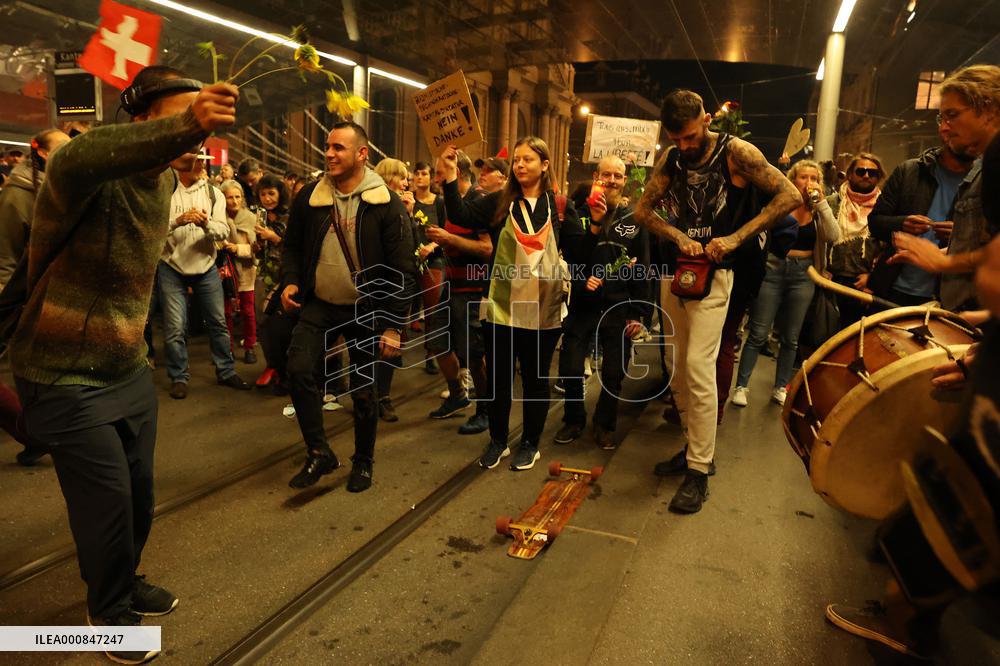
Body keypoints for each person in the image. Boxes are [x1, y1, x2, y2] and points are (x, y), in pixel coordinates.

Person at [8, 65, 238, 664]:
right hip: (62, 369)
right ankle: (107, 612)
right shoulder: (84, 172)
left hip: (127, 366)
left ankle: (124, 577)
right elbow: (81, 156)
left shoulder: (161, 185)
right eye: (181, 119)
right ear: (140, 121)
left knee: (137, 495)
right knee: (106, 499)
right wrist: (190, 122)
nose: (192, 135)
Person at [635, 89, 801, 514]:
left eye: (690, 137)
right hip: (678, 270)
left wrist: (735, 237)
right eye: (677, 139)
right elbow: (642, 211)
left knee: (698, 368)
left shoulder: (737, 152)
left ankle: (700, 468)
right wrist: (677, 237)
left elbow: (790, 197)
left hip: (720, 273)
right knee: (674, 363)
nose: (685, 147)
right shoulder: (673, 159)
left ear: (706, 120)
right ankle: (692, 447)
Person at [280, 121, 416, 492]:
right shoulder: (311, 197)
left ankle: (364, 461)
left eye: (339, 147)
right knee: (299, 368)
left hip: (367, 309)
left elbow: (404, 270)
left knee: (363, 391)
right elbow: (291, 246)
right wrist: (291, 280)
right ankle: (319, 452)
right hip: (320, 305)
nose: (329, 153)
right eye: (328, 146)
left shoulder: (386, 205)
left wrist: (392, 325)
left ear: (361, 154)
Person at [439, 137, 585, 471]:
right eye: (517, 160)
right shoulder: (498, 203)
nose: (520, 165)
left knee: (535, 380)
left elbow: (579, 251)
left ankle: (530, 443)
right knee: (500, 379)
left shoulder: (559, 206)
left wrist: (599, 231)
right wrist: (449, 176)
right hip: (502, 308)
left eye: (528, 160)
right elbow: (459, 213)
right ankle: (498, 441)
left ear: (545, 165)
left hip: (543, 310)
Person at [553, 155, 651, 449]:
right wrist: (583, 280)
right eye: (606, 174)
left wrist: (639, 313)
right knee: (570, 368)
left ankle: (604, 424)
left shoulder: (635, 219)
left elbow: (644, 266)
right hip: (583, 304)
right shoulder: (577, 214)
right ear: (596, 176)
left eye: (618, 176)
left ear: (624, 181)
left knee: (613, 372)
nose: (611, 180)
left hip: (619, 306)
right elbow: (570, 256)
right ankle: (573, 420)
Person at [891, 64, 1000, 312]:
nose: (943, 128)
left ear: (988, 109)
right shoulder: (986, 162)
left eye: (952, 115)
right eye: (942, 118)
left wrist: (945, 262)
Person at [731, 160, 839, 407]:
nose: (809, 183)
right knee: (758, 332)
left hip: (804, 274)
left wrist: (821, 205)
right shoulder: (780, 201)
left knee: (791, 337)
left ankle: (780, 386)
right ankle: (741, 386)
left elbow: (834, 237)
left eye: (814, 178)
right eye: (803, 177)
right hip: (773, 268)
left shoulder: (819, 209)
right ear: (793, 179)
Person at [158, 155, 252, 399]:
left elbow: (222, 232)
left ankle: (226, 370)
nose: (203, 165)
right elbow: (153, 228)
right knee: (175, 328)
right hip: (171, 266)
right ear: (181, 164)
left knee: (218, 323)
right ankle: (179, 376)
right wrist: (178, 221)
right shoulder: (165, 190)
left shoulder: (213, 194)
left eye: (203, 161)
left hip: (206, 265)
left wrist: (205, 223)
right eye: (197, 161)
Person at [425, 152, 493, 435]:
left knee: (474, 354)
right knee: (437, 342)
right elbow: (447, 235)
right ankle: (457, 395)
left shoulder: (479, 201)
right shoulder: (446, 202)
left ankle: (487, 410)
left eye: (439, 173)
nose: (434, 179)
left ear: (458, 173)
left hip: (472, 290)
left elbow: (486, 248)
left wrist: (449, 239)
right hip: (450, 286)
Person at [868, 124, 974, 305]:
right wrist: (901, 224)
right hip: (892, 287)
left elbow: (989, 245)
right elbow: (875, 223)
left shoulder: (983, 182)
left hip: (946, 298)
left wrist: (959, 237)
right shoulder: (909, 171)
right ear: (944, 130)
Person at [0, 129, 71, 290]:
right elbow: (6, 256)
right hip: (28, 292)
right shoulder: (16, 195)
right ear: (43, 153)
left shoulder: (63, 188)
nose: (70, 151)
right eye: (63, 146)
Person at [372, 157, 413, 422]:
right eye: (402, 177)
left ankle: (383, 395)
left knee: (390, 342)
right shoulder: (373, 205)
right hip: (373, 283)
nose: (406, 182)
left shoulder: (404, 206)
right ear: (388, 178)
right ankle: (367, 394)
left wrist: (409, 215)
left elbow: (413, 249)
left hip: (397, 286)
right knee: (368, 340)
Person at [825, 153, 885, 327]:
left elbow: (889, 247)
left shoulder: (885, 207)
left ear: (878, 177)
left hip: (861, 285)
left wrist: (872, 279)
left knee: (853, 339)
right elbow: (817, 240)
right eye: (861, 171)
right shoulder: (830, 203)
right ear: (850, 174)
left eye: (872, 173)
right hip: (827, 280)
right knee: (819, 336)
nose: (866, 175)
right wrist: (820, 268)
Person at [253, 173, 290, 389]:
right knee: (262, 321)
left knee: (281, 324)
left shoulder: (289, 216)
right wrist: (257, 245)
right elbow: (257, 250)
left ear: (280, 194)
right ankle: (272, 364)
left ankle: (283, 368)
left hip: (285, 275)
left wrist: (273, 237)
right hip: (264, 273)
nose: (267, 198)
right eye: (263, 194)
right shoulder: (259, 216)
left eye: (271, 193)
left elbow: (294, 247)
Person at [411, 161, 448, 375]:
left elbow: (446, 230)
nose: (419, 177)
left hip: (433, 259)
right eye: (416, 174)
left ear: (430, 177)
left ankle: (431, 353)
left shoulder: (439, 202)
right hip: (409, 259)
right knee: (400, 304)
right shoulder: (408, 200)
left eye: (424, 173)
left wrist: (432, 247)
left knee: (432, 308)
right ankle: (395, 349)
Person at [219, 179, 258, 363]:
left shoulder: (251, 218)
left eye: (238, 196)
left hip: (246, 271)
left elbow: (256, 248)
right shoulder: (217, 217)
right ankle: (228, 349)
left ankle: (250, 346)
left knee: (248, 312)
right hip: (225, 273)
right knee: (225, 313)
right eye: (230, 197)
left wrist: (237, 248)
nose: (234, 201)